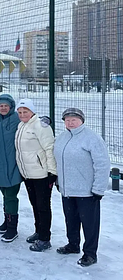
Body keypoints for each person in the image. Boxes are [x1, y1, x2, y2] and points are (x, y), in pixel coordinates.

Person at [54, 108, 110, 267]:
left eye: (74, 119)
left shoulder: (91, 138)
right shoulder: (62, 137)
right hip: (67, 189)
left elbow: (102, 164)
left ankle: (90, 254)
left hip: (87, 191)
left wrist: (99, 188)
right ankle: (73, 245)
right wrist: (59, 181)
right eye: (67, 120)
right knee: (70, 219)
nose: (70, 122)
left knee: (89, 224)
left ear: (82, 120)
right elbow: (59, 161)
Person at [14, 98, 57, 252]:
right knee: (35, 204)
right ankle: (39, 231)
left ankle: (45, 238)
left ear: (32, 111)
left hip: (42, 174)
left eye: (25, 111)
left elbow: (49, 148)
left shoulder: (40, 125)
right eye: (19, 112)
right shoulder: (22, 125)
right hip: (28, 174)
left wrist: (52, 172)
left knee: (43, 206)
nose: (22, 114)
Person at [0, 94, 23, 242]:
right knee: (5, 194)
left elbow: (33, 122)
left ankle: (12, 228)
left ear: (11, 107)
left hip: (13, 164)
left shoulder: (17, 119)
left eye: (6, 106)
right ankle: (7, 221)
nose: (3, 108)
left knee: (10, 196)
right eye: (0, 106)